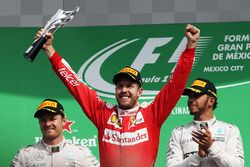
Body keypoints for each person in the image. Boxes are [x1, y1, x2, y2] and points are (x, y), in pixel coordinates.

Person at [36, 24, 200, 167]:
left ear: (140, 91)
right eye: (120, 86)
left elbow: (177, 83)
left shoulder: (152, 114)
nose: (124, 90)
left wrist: (190, 48)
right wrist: (50, 50)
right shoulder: (102, 113)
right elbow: (74, 83)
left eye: (130, 86)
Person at [166, 78, 244, 167]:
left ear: (211, 101)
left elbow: (238, 165)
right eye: (190, 96)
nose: (191, 99)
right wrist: (197, 156)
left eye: (196, 95)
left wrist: (211, 147)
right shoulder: (178, 132)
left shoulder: (230, 130)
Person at [11, 98, 100, 167]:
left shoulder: (82, 154)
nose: (47, 124)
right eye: (43, 120)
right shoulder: (25, 155)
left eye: (52, 119)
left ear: (64, 121)